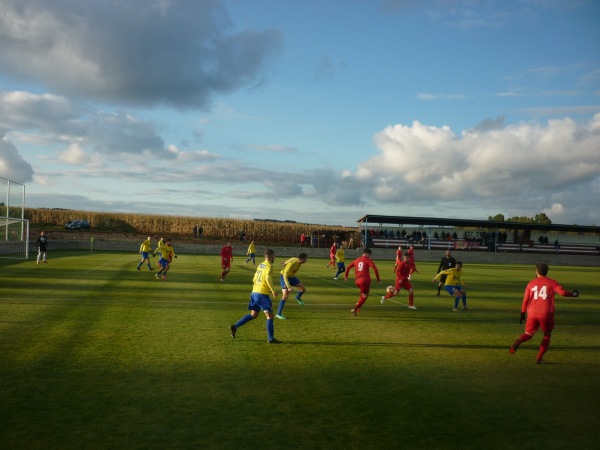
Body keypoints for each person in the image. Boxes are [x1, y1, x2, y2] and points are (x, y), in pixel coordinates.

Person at [509, 263, 579, 364]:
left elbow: (525, 300)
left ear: (536, 271)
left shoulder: (531, 283)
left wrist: (522, 313)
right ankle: (539, 358)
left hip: (532, 313)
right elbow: (563, 293)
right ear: (546, 271)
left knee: (528, 334)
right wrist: (573, 294)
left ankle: (518, 342)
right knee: (547, 335)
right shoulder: (551, 282)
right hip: (545, 313)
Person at [230, 249, 281, 344]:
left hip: (254, 292)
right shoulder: (269, 266)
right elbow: (267, 278)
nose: (275, 258)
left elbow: (254, 279)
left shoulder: (260, 264)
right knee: (270, 316)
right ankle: (270, 338)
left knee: (254, 315)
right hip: (262, 294)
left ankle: (235, 326)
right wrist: (273, 290)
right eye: (274, 256)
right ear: (271, 257)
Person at [344, 248, 381, 316]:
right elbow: (375, 268)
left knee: (362, 294)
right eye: (369, 254)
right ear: (366, 253)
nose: (369, 256)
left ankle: (357, 308)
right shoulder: (368, 260)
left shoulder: (357, 260)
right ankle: (355, 308)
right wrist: (378, 278)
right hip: (365, 281)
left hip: (357, 281)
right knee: (365, 296)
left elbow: (348, 267)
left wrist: (346, 276)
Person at [276, 253, 309, 320]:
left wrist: (284, 263)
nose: (306, 260)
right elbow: (285, 275)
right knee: (285, 296)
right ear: (302, 259)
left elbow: (291, 258)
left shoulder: (295, 259)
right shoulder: (292, 264)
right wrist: (288, 287)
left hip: (292, 277)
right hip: (284, 278)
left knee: (303, 289)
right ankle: (278, 314)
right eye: (306, 259)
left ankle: (297, 297)